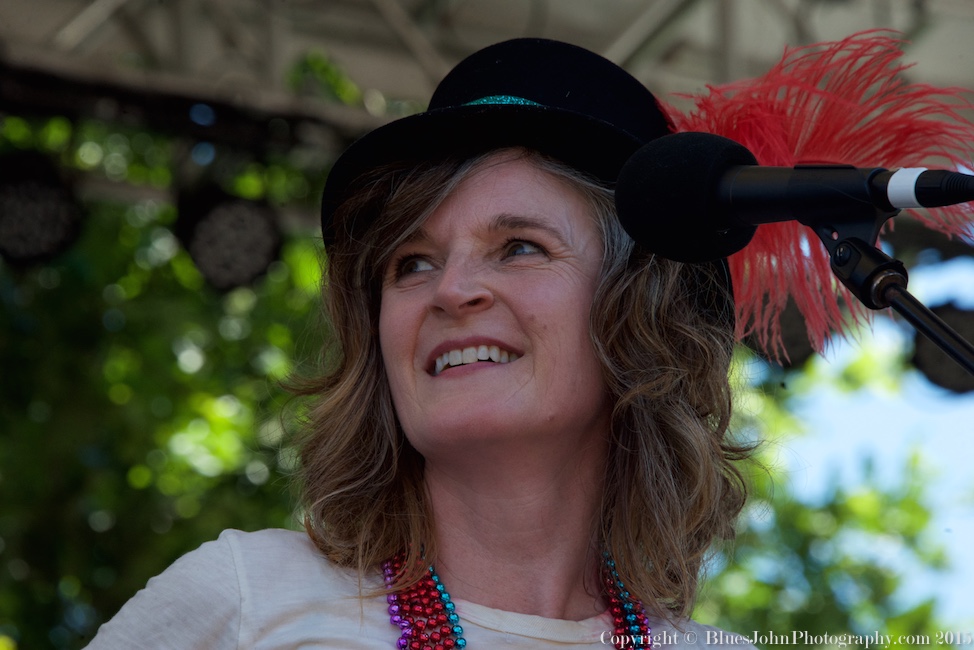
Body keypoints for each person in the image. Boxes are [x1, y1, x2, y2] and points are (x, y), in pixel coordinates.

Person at [85, 38, 759, 649]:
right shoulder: (248, 600)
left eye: (519, 247)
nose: (451, 290)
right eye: (412, 263)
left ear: (643, 314)